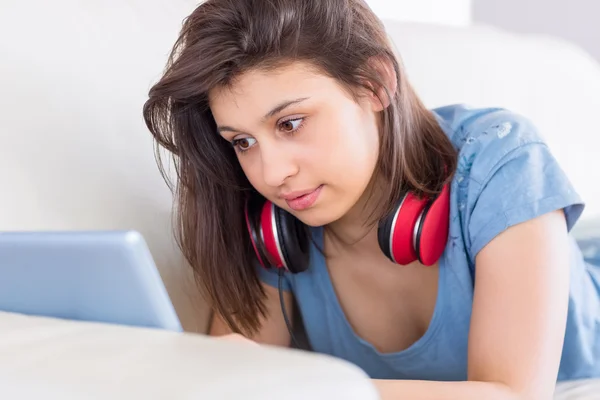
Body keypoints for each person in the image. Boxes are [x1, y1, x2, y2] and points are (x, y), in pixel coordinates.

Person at [142, 0, 600, 398]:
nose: (271, 173)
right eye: (242, 141)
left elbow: (512, 395)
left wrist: (297, 386)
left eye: (290, 123)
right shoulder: (272, 228)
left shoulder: (502, 160)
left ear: (375, 83)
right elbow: (237, 381)